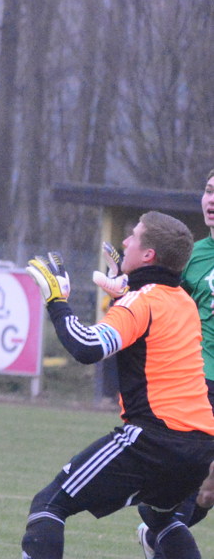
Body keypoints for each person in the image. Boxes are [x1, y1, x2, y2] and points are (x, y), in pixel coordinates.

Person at [20, 211, 214, 559]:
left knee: (49, 505)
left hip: (154, 439)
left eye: (133, 236)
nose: (125, 242)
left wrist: (56, 301)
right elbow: (146, 342)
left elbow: (87, 347)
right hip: (200, 445)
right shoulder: (184, 301)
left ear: (148, 254)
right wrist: (123, 294)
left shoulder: (142, 300)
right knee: (161, 518)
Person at [130, 169, 214, 558]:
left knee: (207, 492)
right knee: (198, 479)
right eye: (209, 191)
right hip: (203, 382)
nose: (212, 200)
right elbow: (164, 307)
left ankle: (157, 532)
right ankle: (162, 529)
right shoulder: (194, 257)